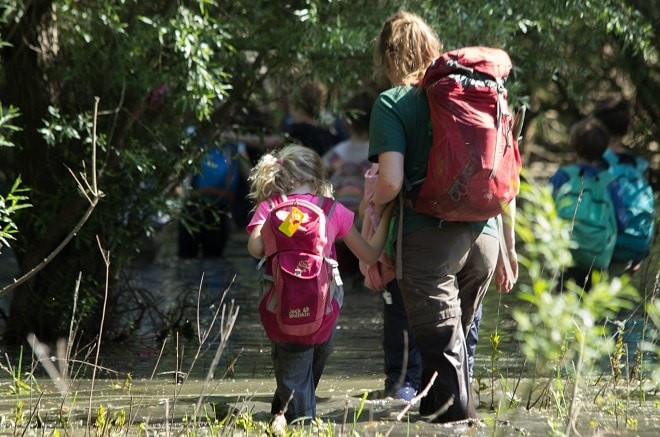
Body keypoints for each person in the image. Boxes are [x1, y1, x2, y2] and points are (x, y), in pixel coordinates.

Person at [368, 11, 518, 422]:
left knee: (446, 376)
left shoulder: (393, 103)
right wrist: (509, 244)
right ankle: (436, 423)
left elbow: (392, 182)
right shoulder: (474, 97)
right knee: (451, 363)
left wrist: (372, 209)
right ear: (433, 49)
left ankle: (459, 427)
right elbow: (507, 178)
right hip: (484, 242)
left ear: (386, 57)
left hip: (428, 243)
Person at [246, 144, 393, 424]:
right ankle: (300, 420)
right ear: (318, 181)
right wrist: (386, 217)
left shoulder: (270, 208)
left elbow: (255, 249)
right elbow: (370, 254)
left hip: (280, 308)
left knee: (293, 368)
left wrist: (275, 227)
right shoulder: (332, 210)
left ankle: (284, 416)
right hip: (324, 310)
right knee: (307, 369)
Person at [548, 117, 628, 290]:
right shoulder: (611, 182)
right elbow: (621, 223)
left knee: (561, 301)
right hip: (597, 257)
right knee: (589, 307)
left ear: (575, 147)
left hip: (564, 253)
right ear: (604, 148)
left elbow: (544, 210)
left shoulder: (563, 176)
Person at [592, 97, 656, 276]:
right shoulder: (639, 165)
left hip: (599, 244)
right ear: (627, 128)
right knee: (614, 298)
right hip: (632, 245)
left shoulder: (596, 162)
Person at [323, 89, 376, 276]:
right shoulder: (378, 154)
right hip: (366, 229)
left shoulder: (335, 153)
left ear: (347, 121)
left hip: (335, 226)